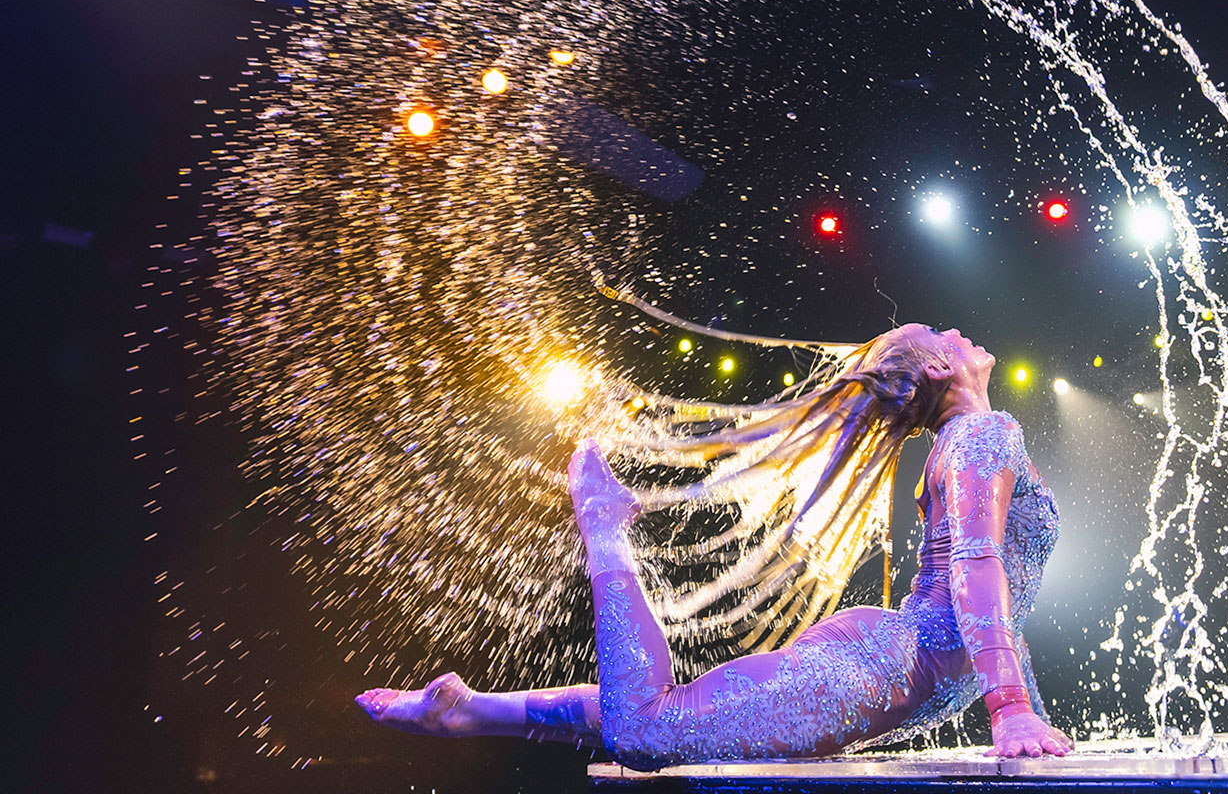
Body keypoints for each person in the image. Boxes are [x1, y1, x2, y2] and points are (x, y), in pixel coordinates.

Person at [356, 324, 1072, 765]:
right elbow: (976, 570)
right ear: (942, 373)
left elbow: (995, 581)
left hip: (890, 669)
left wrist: (1020, 704)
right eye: (944, 335)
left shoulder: (973, 439)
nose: (960, 334)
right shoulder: (982, 434)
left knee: (683, 717)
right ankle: (605, 529)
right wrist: (1011, 709)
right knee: (649, 730)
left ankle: (473, 711)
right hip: (875, 672)